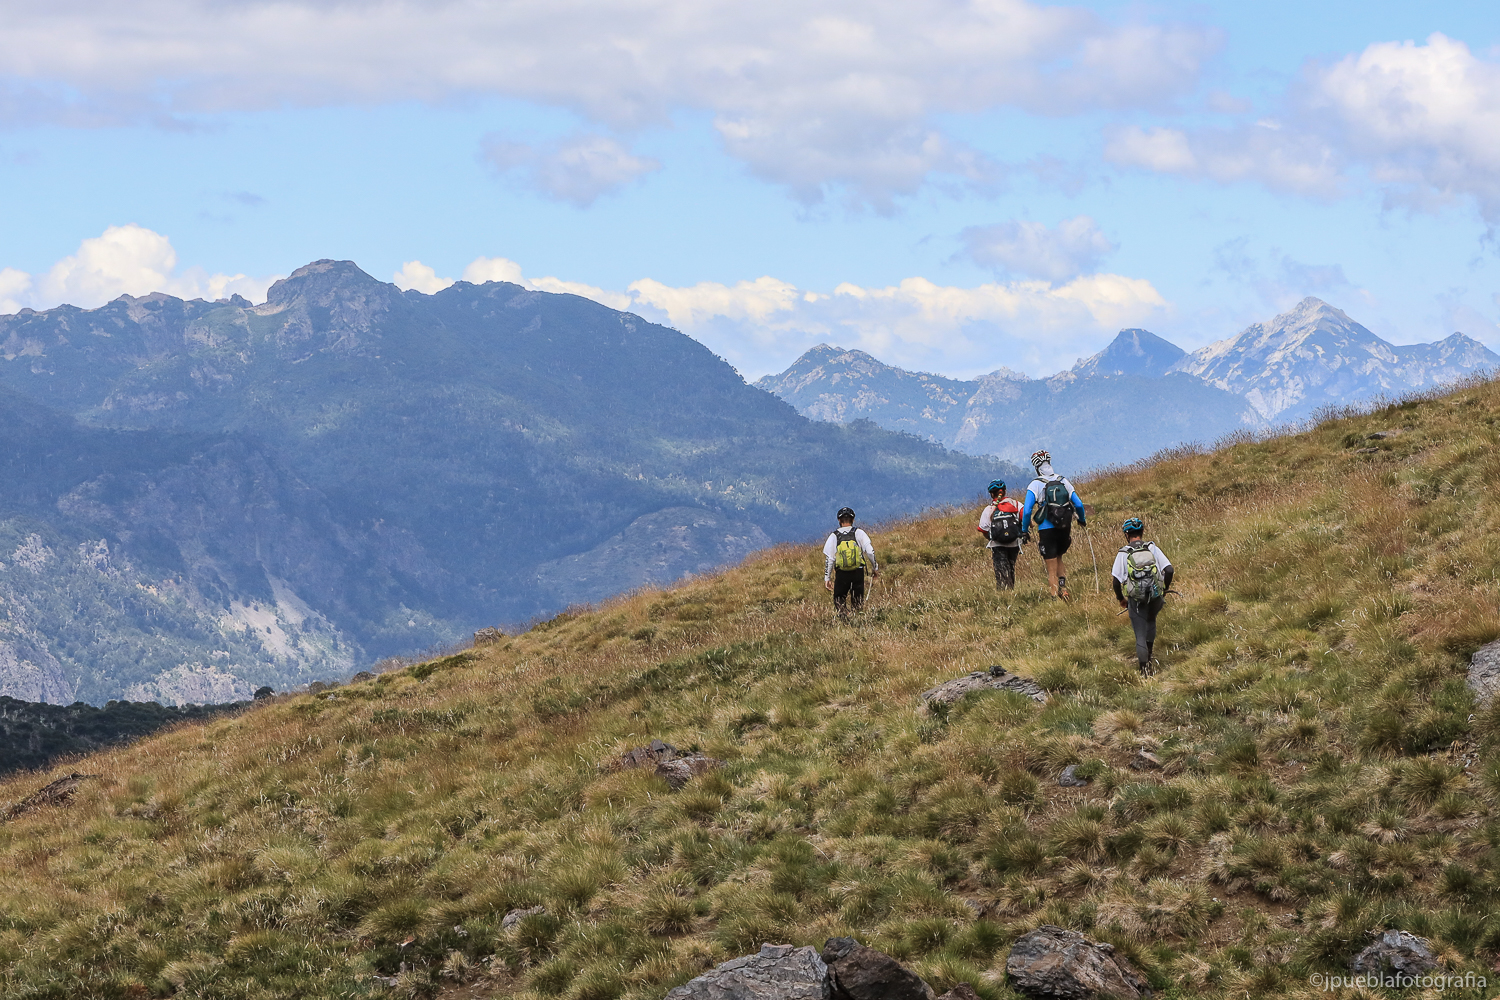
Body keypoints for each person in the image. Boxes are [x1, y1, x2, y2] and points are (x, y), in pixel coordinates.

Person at [1111, 517, 1174, 676]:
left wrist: (1121, 599)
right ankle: (1150, 656)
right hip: (1155, 596)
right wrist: (1164, 589)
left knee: (1139, 633)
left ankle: (1144, 671)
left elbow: (1116, 581)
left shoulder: (1123, 553)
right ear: (1142, 532)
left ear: (1127, 534)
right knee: (1151, 620)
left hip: (1136, 599)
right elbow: (1170, 570)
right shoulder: (1152, 548)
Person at [1021, 450, 1087, 600]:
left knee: (1050, 566)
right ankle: (1063, 588)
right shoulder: (1063, 481)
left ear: (1036, 467)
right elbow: (1079, 504)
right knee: (1059, 557)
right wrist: (1081, 519)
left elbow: (1026, 512)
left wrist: (1024, 530)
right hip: (1064, 527)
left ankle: (1054, 597)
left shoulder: (1035, 485)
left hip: (1046, 529)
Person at [823, 506, 879, 620]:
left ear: (839, 520)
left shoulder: (834, 536)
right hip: (858, 571)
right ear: (853, 520)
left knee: (839, 598)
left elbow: (830, 558)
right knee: (857, 599)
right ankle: (858, 620)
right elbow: (870, 551)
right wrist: (875, 567)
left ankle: (846, 618)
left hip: (842, 572)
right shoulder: (859, 533)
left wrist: (827, 578)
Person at [975, 479, 1024, 590]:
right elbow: (1025, 517)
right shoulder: (1016, 504)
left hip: (997, 544)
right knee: (1011, 567)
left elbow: (983, 529)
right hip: (1014, 543)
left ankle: (1004, 594)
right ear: (1005, 491)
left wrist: (991, 538)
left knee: (1001, 571)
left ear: (992, 494)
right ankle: (1011, 590)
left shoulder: (989, 509)